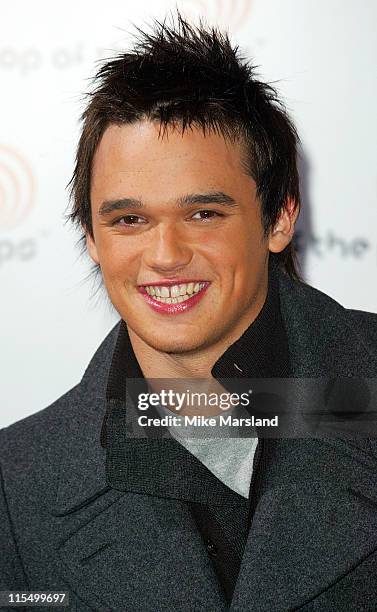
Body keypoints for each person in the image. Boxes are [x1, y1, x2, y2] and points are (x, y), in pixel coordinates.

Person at [1, 12, 377, 612]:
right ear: (92, 240)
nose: (165, 256)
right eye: (129, 220)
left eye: (203, 214)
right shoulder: (16, 485)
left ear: (278, 218)